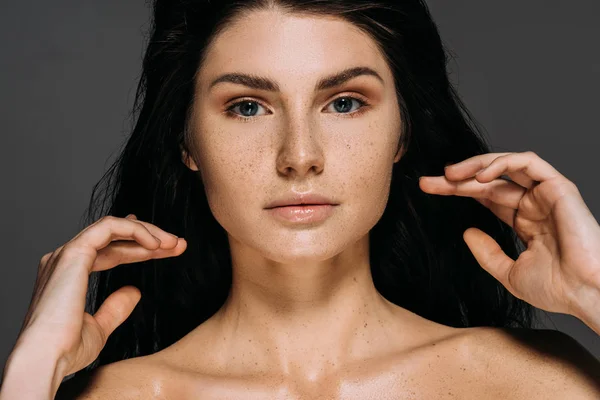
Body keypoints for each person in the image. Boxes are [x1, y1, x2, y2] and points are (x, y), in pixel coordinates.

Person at [2, 0, 600, 398]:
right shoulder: (113, 397)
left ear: (403, 132)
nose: (300, 156)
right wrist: (34, 373)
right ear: (186, 141)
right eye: (247, 107)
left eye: (344, 102)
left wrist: (595, 290)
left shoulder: (536, 382)